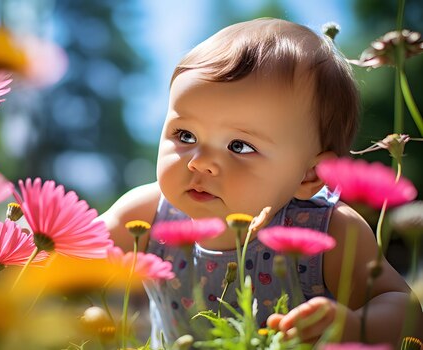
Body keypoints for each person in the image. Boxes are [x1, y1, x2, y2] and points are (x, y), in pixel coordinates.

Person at [99, 18, 422, 347]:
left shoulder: (328, 231)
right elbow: (75, 249)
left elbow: (404, 310)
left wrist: (354, 326)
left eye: (239, 146)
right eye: (186, 135)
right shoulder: (146, 213)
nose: (199, 162)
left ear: (311, 175)